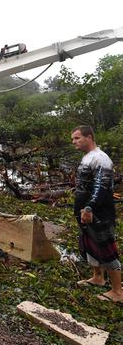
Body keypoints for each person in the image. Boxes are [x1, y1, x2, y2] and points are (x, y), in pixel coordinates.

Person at [71, 125, 122, 303]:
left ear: (89, 137)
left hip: (99, 212)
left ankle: (117, 291)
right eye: (73, 139)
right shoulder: (87, 157)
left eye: (77, 138)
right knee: (89, 243)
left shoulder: (101, 158)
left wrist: (89, 207)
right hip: (85, 210)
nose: (74, 142)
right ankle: (98, 277)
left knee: (106, 248)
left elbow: (102, 186)